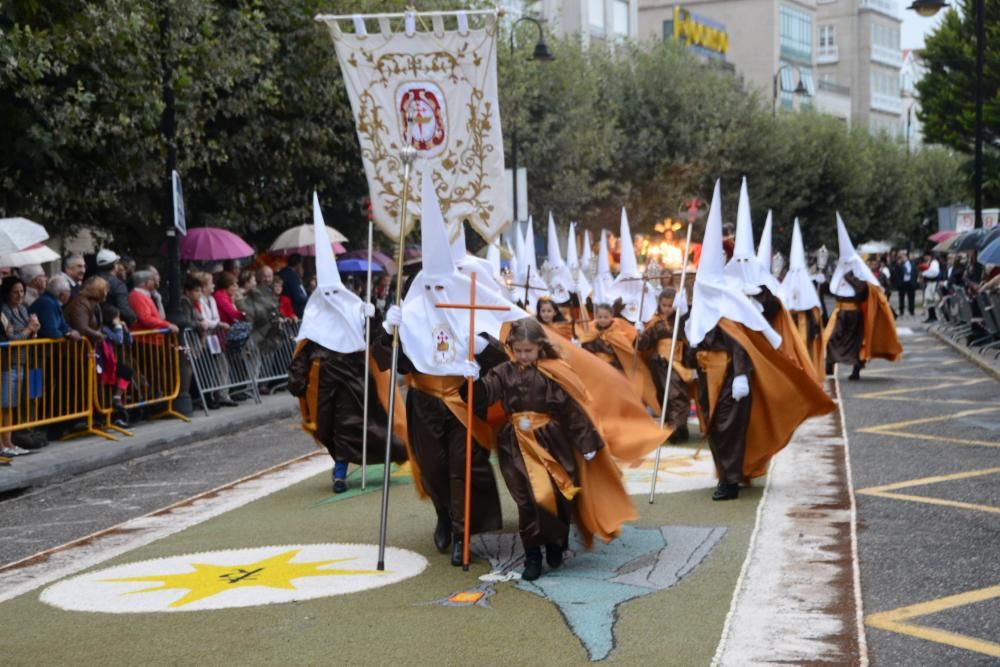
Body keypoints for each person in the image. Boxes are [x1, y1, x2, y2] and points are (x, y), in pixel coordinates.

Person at [374, 177, 525, 565]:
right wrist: (387, 330)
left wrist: (481, 352)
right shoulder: (411, 311)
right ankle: (443, 513)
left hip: (462, 400)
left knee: (464, 466)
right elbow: (390, 361)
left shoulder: (471, 304)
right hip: (424, 401)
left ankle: (462, 533)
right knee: (433, 468)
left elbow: (503, 355)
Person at [687, 180, 834, 501]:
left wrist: (740, 374)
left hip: (730, 376)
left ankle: (729, 480)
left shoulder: (733, 306)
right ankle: (731, 472)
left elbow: (741, 341)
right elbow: (693, 343)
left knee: (728, 426)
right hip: (706, 377)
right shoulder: (704, 305)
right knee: (714, 427)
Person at [463, 318, 636, 581]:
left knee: (559, 492)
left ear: (540, 348)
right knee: (528, 498)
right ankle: (533, 553)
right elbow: (483, 397)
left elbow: (571, 410)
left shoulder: (553, 373)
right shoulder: (502, 372)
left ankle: (557, 539)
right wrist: (473, 381)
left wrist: (587, 443)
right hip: (516, 442)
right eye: (518, 350)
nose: (522, 356)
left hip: (551, 440)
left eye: (528, 351)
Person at [289, 194, 408, 492]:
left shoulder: (356, 308)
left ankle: (346, 471)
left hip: (357, 381)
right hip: (326, 386)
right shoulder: (314, 320)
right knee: (334, 429)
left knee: (358, 426)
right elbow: (302, 354)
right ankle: (341, 469)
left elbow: (374, 340)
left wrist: (373, 317)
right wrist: (298, 380)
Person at [824, 214, 902, 381]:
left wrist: (849, 277)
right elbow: (834, 290)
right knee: (831, 338)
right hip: (840, 313)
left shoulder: (858, 277)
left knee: (857, 344)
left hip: (855, 315)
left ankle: (855, 371)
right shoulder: (842, 273)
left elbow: (862, 291)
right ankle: (829, 365)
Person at [637, 288, 695, 442]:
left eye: (670, 305)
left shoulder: (681, 320)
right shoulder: (655, 323)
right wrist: (640, 333)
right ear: (659, 304)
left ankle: (678, 427)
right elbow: (642, 346)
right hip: (661, 363)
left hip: (679, 362)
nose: (667, 309)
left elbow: (689, 339)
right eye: (664, 305)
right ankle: (673, 428)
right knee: (669, 395)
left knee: (679, 395)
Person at [778, 219, 826, 383]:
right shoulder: (786, 284)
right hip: (790, 323)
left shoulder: (807, 285)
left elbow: (816, 308)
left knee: (806, 348)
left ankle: (808, 375)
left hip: (805, 322)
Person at [0, 276, 42, 458]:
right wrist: (28, 329)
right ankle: (4, 444)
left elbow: (27, 336)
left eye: (22, 292)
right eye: (15, 292)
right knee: (5, 404)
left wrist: (34, 330)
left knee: (11, 404)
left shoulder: (24, 309)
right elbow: (11, 338)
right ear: (7, 293)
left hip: (22, 361)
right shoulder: (4, 311)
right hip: (7, 362)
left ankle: (9, 442)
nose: (19, 295)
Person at [97, 303, 134, 420]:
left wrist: (126, 330)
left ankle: (117, 397)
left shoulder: (114, 328)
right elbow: (118, 340)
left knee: (127, 372)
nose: (119, 320)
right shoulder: (104, 329)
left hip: (111, 361)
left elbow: (128, 342)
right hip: (103, 363)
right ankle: (112, 404)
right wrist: (118, 328)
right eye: (117, 317)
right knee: (124, 372)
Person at [28, 276, 82, 342]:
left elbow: (62, 324)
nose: (70, 295)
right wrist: (67, 334)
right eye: (69, 291)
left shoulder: (52, 302)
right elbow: (51, 331)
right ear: (62, 294)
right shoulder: (48, 303)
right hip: (40, 350)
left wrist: (69, 331)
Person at [95, 249, 137, 326]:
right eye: (117, 263)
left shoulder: (91, 280)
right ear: (115, 265)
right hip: (114, 327)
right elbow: (124, 309)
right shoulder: (118, 285)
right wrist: (134, 319)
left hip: (93, 327)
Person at [64, 276, 108, 346]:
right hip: (75, 349)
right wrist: (98, 335)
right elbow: (82, 328)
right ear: (98, 290)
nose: (106, 293)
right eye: (105, 289)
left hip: (84, 348)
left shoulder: (92, 304)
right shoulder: (81, 304)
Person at [278, 254, 308, 318]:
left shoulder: (283, 272)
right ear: (298, 264)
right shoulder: (291, 276)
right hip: (294, 311)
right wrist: (309, 300)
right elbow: (298, 297)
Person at [892, 250, 917, 318]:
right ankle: (901, 311)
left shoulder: (912, 264)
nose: (903, 258)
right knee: (901, 298)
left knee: (911, 298)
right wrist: (898, 263)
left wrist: (915, 282)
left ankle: (911, 311)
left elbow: (915, 273)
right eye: (902, 257)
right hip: (902, 283)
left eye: (904, 257)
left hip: (910, 283)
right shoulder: (899, 264)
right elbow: (895, 272)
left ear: (907, 257)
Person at [920, 253, 941, 323]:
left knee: (931, 299)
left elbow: (934, 272)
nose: (925, 258)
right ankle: (931, 316)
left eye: (926, 256)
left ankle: (933, 316)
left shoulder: (934, 262)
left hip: (933, 283)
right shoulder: (930, 262)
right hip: (929, 283)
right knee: (929, 300)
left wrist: (924, 273)